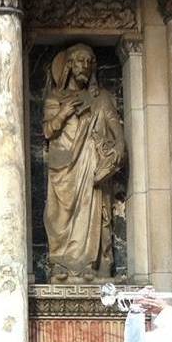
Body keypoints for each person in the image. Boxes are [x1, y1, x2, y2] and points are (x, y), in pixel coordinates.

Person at [42, 43, 125, 283]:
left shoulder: (101, 99)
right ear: (69, 65)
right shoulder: (55, 98)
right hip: (62, 166)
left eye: (89, 62)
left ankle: (90, 264)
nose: (85, 66)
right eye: (80, 61)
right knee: (58, 215)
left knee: (90, 211)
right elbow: (48, 131)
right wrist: (64, 112)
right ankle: (60, 263)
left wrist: (119, 146)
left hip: (89, 164)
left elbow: (114, 126)